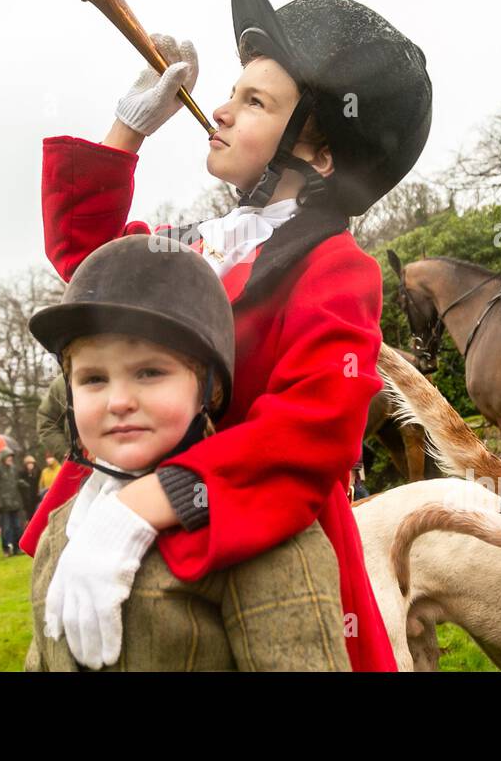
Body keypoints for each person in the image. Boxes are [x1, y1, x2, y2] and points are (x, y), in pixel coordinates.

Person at [21, 0, 433, 671]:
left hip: (253, 537)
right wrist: (129, 128)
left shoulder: (339, 268)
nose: (219, 108)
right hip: (108, 512)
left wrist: (147, 504)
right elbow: (86, 261)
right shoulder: (196, 245)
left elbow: (314, 432)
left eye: (254, 101)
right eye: (232, 93)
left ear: (320, 152)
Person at [27, 235, 350, 670]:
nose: (117, 401)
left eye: (150, 372)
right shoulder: (59, 530)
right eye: (93, 379)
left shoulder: (261, 533)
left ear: (210, 388)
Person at [0, 453, 25, 555]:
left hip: (15, 503)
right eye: (8, 457)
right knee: (6, 528)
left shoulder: (14, 469)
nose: (10, 459)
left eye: (11, 457)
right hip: (4, 505)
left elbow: (15, 482)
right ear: (3, 458)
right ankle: (6, 549)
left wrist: (21, 482)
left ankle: (17, 548)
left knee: (18, 527)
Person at [19, 455, 41, 520]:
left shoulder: (37, 472)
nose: (30, 465)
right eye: (28, 464)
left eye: (32, 463)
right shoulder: (22, 474)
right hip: (26, 499)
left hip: (36, 497)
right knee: (29, 517)